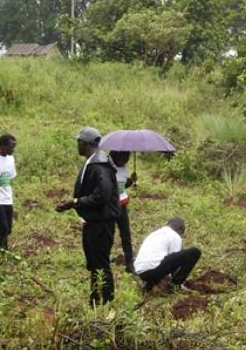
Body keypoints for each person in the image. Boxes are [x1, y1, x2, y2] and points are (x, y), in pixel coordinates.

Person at [55, 127, 119, 306]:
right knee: (95, 264)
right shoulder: (93, 162)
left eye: (78, 142)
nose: (77, 145)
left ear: (84, 143)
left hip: (101, 224)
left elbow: (102, 195)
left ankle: (107, 303)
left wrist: (75, 202)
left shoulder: (99, 165)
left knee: (101, 265)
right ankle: (95, 301)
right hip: (94, 222)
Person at [133, 217, 202, 292]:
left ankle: (149, 285)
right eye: (182, 232)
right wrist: (175, 277)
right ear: (179, 229)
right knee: (195, 252)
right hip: (153, 271)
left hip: (140, 271)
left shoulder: (155, 233)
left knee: (157, 260)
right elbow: (174, 264)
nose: (181, 235)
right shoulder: (175, 235)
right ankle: (175, 285)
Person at [109, 151, 137, 273]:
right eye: (122, 156)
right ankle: (105, 257)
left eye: (127, 157)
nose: (125, 159)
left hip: (122, 203)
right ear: (115, 155)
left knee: (126, 234)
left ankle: (129, 263)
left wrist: (131, 180)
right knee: (108, 233)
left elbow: (123, 185)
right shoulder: (108, 166)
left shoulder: (124, 167)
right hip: (109, 204)